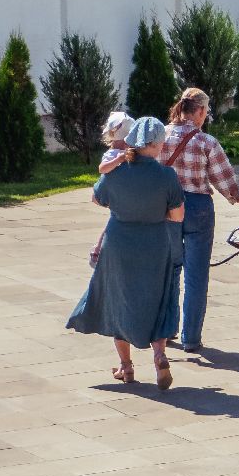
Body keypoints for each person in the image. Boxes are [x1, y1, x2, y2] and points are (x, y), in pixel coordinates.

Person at [68, 117, 185, 390]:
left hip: (119, 244)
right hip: (155, 244)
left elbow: (97, 198)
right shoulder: (167, 175)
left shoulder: (116, 172)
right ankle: (159, 355)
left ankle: (126, 367)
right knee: (158, 301)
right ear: (156, 144)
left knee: (118, 301)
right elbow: (177, 216)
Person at [161, 88, 239, 353]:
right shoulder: (206, 142)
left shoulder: (160, 135)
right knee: (197, 276)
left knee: (170, 271)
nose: (206, 116)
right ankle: (191, 337)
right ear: (198, 111)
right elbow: (225, 180)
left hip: (165, 207)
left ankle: (168, 329)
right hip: (198, 207)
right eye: (206, 111)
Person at [88, 111, 135, 268]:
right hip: (113, 194)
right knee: (114, 221)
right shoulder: (112, 154)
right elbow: (103, 169)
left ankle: (100, 250)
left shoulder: (124, 152)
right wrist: (119, 159)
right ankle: (98, 250)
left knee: (114, 220)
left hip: (121, 194)